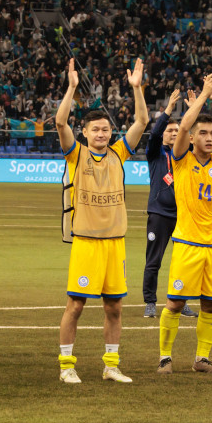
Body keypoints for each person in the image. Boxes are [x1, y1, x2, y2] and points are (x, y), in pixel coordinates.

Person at [55, 57, 148, 384]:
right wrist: (71, 88)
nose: (101, 133)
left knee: (114, 308)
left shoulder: (119, 154)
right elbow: (59, 123)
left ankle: (111, 365)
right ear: (85, 132)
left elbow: (142, 120)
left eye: (106, 129)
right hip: (86, 244)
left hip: (115, 245)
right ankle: (67, 366)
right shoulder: (76, 154)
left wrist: (136, 88)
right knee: (76, 306)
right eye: (95, 129)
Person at [157, 74, 212, 375]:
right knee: (175, 303)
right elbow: (182, 130)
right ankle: (165, 358)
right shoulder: (181, 160)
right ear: (191, 137)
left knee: (211, 305)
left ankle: (201, 359)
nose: (209, 137)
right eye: (203, 133)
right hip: (188, 244)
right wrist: (204, 95)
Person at [141, 88, 195, 321]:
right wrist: (169, 110)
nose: (174, 133)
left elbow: (194, 132)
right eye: (170, 130)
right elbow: (153, 136)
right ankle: (150, 303)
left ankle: (181, 302)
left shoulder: (187, 155)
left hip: (184, 214)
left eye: (177, 130)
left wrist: (193, 110)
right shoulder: (155, 153)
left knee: (183, 262)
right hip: (160, 214)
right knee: (154, 260)